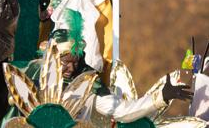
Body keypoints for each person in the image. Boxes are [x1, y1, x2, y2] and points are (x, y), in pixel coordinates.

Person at [49, 29, 194, 125]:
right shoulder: (34, 76)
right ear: (52, 59)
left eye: (76, 62)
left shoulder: (90, 85)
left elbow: (121, 111)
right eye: (65, 63)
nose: (72, 68)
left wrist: (160, 97)